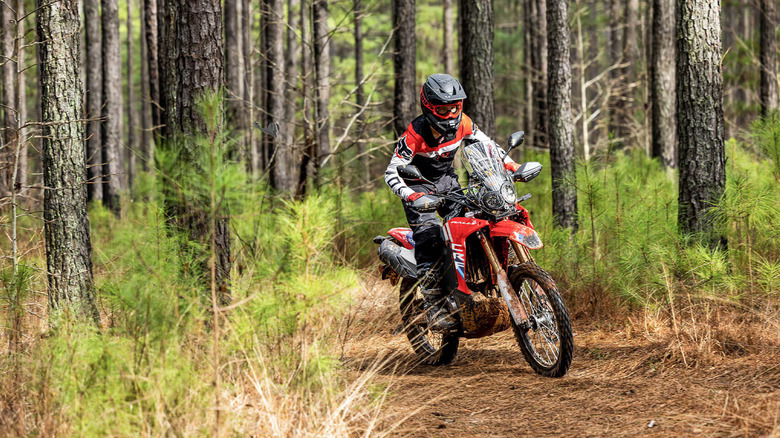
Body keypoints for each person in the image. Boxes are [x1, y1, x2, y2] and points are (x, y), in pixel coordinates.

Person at [384, 73, 521, 330]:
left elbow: (489, 146)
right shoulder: (414, 135)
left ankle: (474, 280)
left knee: (475, 221)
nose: (450, 115)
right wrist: (411, 195)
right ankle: (434, 306)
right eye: (442, 110)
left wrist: (512, 166)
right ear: (428, 107)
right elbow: (391, 172)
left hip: (448, 182)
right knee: (430, 237)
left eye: (454, 108)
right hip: (418, 187)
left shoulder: (464, 123)